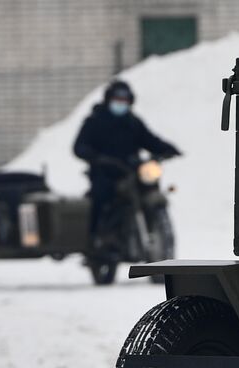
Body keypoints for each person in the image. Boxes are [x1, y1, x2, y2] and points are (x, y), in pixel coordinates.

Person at [73, 79, 181, 245]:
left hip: (132, 172)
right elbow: (79, 146)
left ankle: (150, 228)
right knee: (100, 198)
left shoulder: (132, 123)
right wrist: (95, 157)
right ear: (108, 100)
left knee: (149, 188)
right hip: (105, 173)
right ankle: (95, 238)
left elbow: (150, 140)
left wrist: (168, 149)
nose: (121, 103)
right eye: (117, 100)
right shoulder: (95, 122)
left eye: (124, 100)